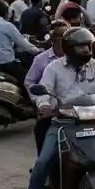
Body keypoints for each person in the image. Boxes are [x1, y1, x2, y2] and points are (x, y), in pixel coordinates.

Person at [26, 28, 95, 189]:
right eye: (81, 47)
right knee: (42, 163)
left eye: (88, 46)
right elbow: (44, 90)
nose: (86, 50)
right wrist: (44, 106)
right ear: (69, 48)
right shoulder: (54, 67)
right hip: (63, 123)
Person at [25, 23, 68, 154]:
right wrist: (40, 103)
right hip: (50, 108)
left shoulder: (78, 60)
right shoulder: (42, 60)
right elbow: (30, 81)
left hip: (73, 109)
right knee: (44, 154)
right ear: (54, 41)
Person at [0, 0, 39, 83]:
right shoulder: (8, 26)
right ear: (6, 12)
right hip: (7, 65)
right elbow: (23, 44)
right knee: (29, 80)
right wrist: (38, 51)